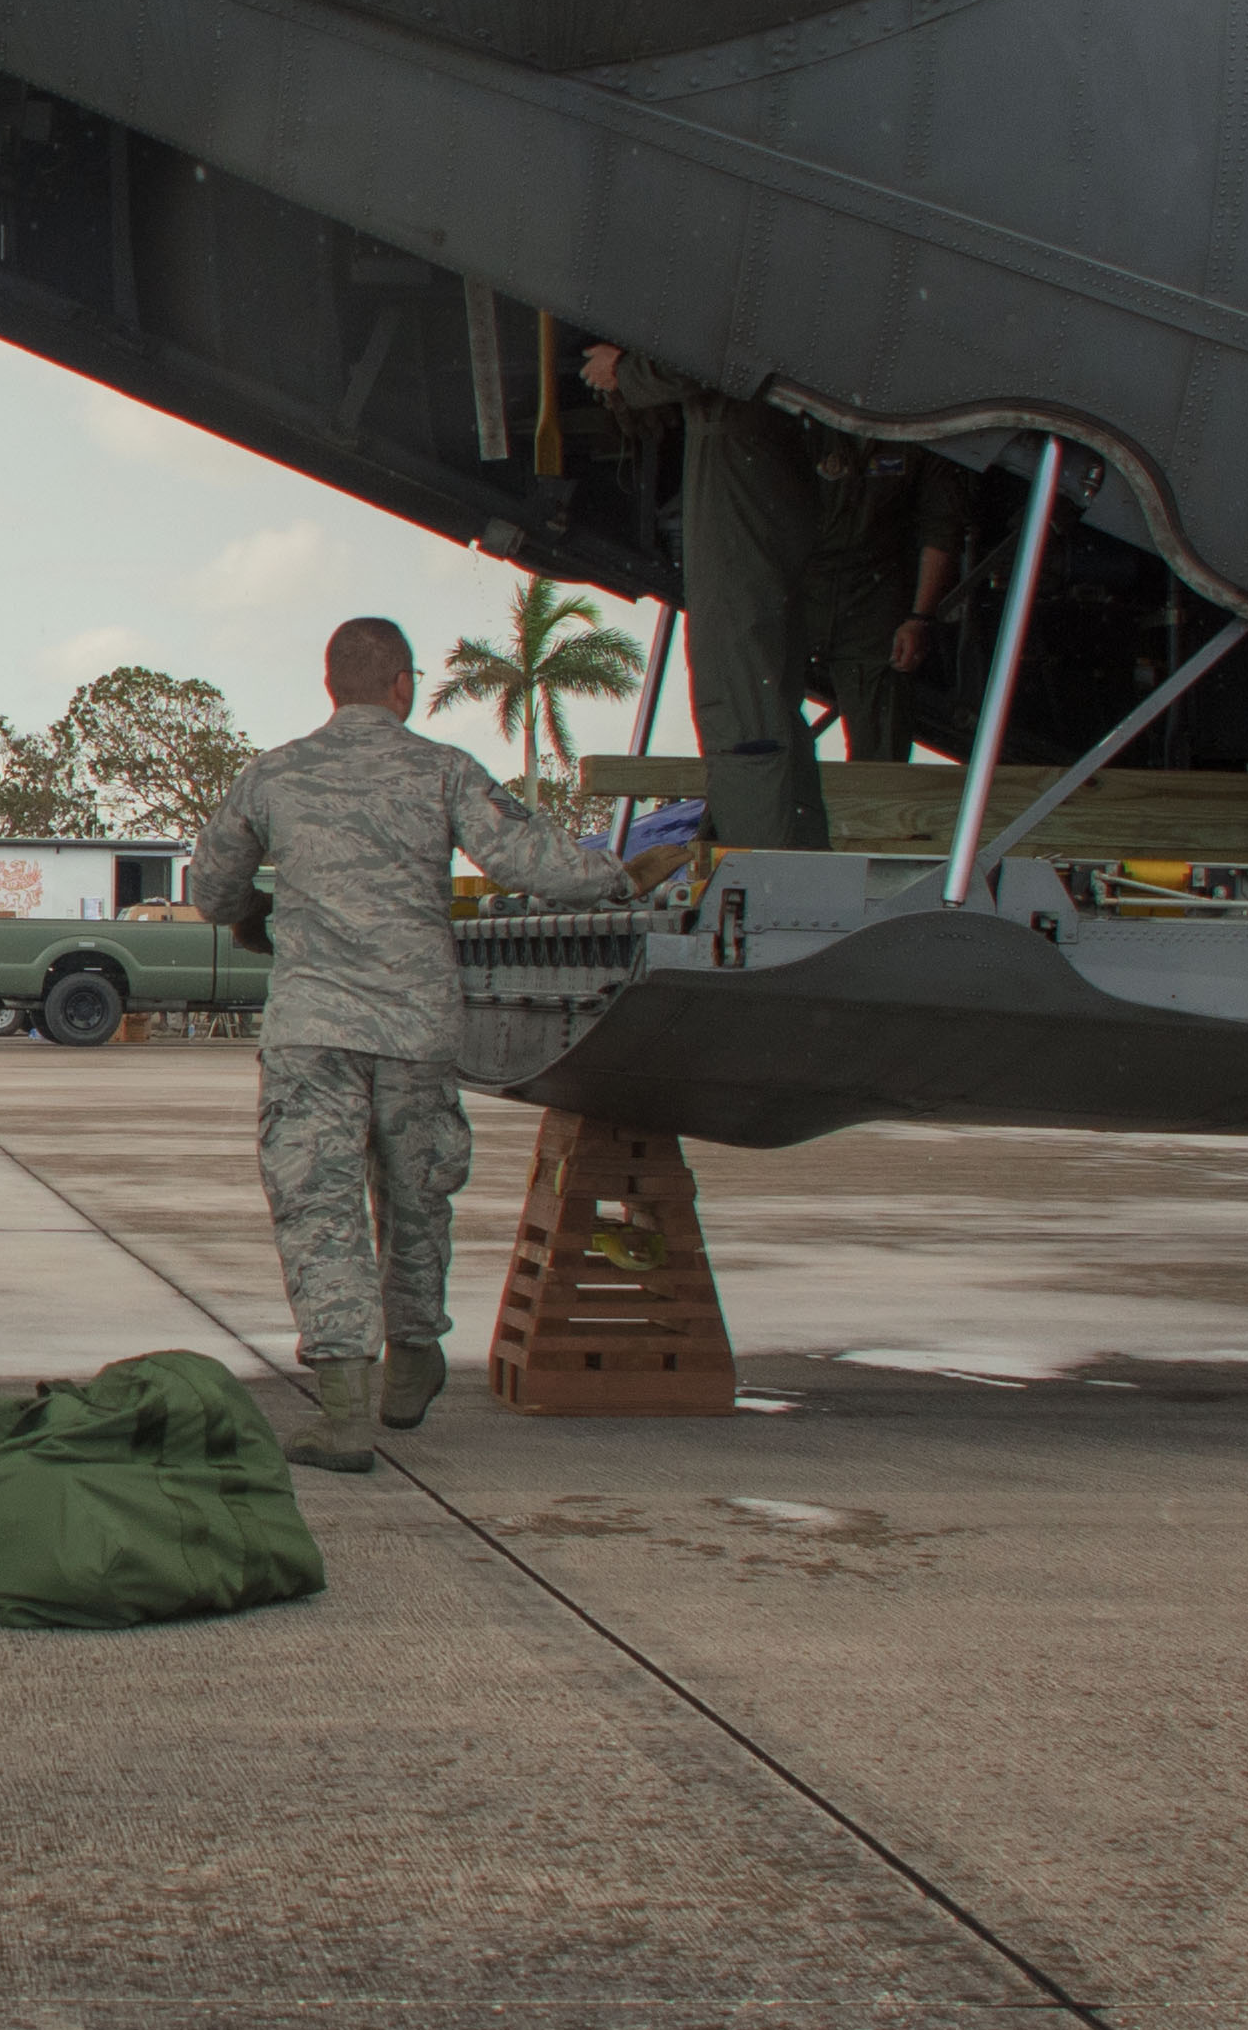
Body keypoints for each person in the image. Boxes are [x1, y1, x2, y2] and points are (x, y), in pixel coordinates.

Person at [190, 615, 634, 1472]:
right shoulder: (442, 770)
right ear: (402, 686)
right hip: (416, 1026)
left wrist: (257, 912)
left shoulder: (273, 775)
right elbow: (530, 860)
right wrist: (622, 875)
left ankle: (344, 1410)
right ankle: (415, 1359)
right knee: (416, 1194)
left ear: (330, 687)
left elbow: (211, 890)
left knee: (319, 1209)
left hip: (314, 1030)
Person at [583, 344, 970, 848]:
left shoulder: (919, 426)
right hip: (803, 575)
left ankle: (874, 849)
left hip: (871, 593)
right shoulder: (811, 409)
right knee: (758, 700)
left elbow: (940, 527)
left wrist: (918, 616)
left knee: (873, 748)